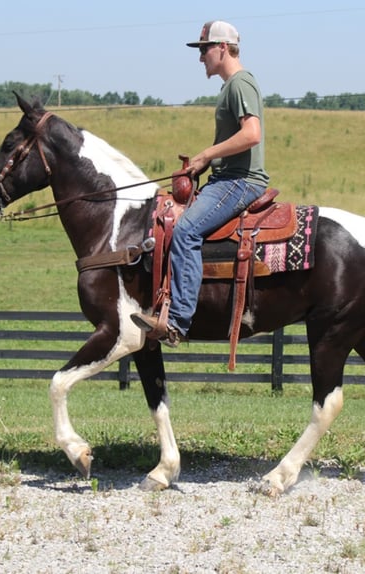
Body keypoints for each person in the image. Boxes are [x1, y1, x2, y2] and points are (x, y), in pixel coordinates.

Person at [131, 20, 269, 347]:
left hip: (240, 181)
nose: (201, 57)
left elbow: (252, 134)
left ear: (223, 47)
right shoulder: (230, 87)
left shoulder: (240, 84)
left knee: (186, 231)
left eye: (204, 48)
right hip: (226, 178)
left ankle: (177, 321)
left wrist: (207, 154)